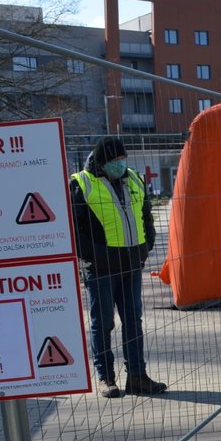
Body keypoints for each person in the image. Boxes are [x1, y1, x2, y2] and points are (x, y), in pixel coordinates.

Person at [70, 136, 167, 398]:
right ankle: (106, 378)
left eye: (122, 159)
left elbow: (146, 215)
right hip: (101, 269)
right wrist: (94, 255)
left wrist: (145, 247)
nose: (120, 164)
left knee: (133, 322)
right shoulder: (81, 184)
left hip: (131, 266)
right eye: (114, 161)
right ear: (101, 163)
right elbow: (72, 229)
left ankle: (137, 376)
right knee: (102, 324)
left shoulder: (134, 178)